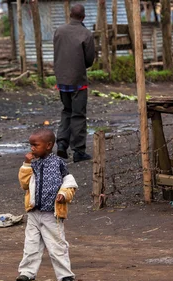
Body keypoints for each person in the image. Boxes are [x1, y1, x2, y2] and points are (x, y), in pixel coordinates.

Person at [16, 128, 78, 281]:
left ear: (49, 145)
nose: (32, 148)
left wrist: (64, 195)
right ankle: (27, 272)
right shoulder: (32, 164)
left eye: (35, 145)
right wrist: (26, 165)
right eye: (31, 145)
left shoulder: (58, 163)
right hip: (34, 212)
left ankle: (65, 275)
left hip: (52, 213)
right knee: (31, 244)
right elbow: (24, 184)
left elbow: (69, 183)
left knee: (57, 245)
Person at [53, 4, 96, 163]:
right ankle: (78, 150)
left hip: (62, 80)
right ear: (83, 17)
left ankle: (62, 144)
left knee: (66, 111)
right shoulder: (86, 34)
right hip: (78, 81)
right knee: (78, 114)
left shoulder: (59, 31)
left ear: (70, 15)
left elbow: (57, 53)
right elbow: (89, 60)